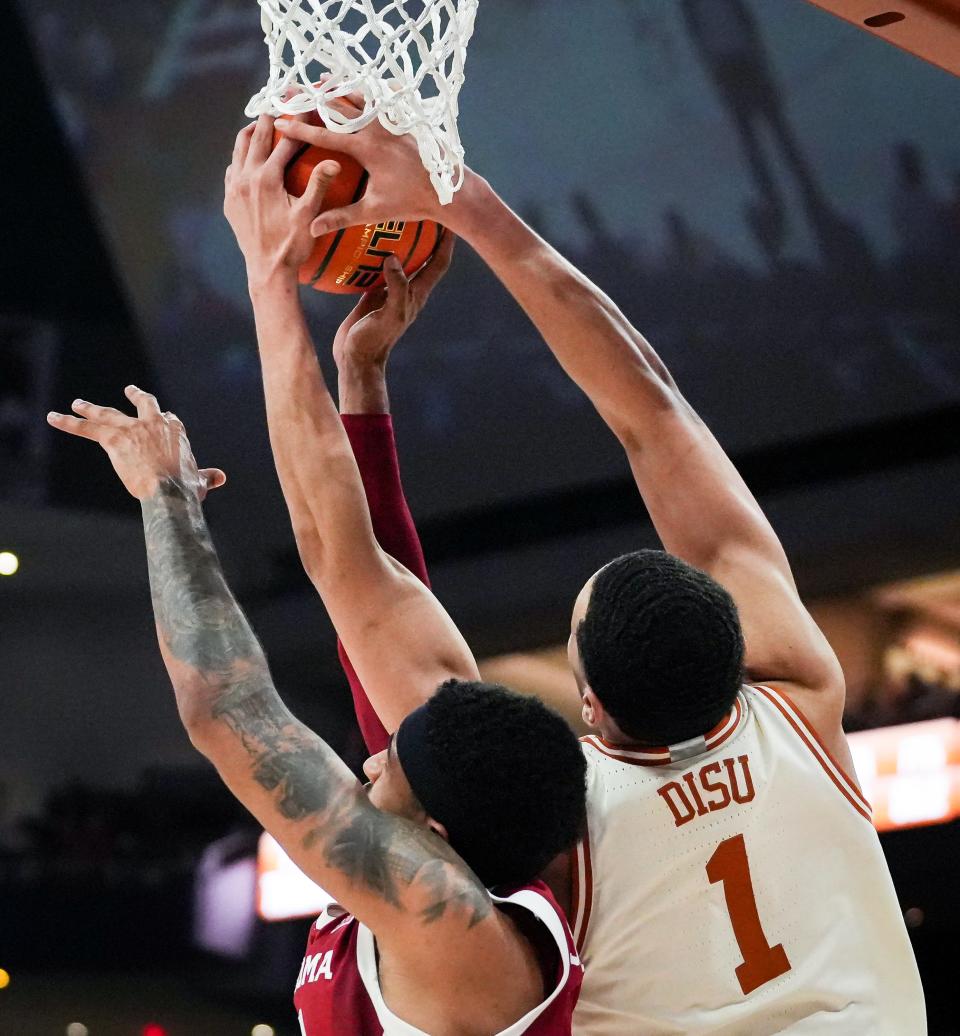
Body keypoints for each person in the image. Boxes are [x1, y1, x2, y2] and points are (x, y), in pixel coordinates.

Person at [264, 112, 927, 1033]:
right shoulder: (796, 695)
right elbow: (654, 414)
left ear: (590, 709)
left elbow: (357, 576)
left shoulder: (555, 823)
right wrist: (464, 208)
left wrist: (295, 288)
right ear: (734, 643)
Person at [46, 384, 586, 1033]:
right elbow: (362, 564)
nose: (372, 761)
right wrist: (357, 376)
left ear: (435, 835)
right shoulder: (449, 874)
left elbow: (225, 706)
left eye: (396, 763)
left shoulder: (444, 921)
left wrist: (166, 496)